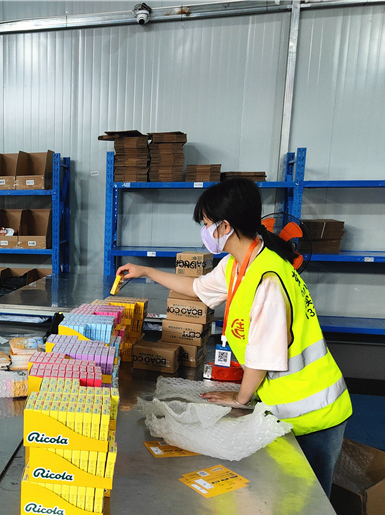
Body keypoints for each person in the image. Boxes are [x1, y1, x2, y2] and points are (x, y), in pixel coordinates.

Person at [118, 178, 352, 495]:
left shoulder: (267, 280)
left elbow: (263, 356)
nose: (204, 232)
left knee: (309, 502)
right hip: (285, 405)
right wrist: (145, 271)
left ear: (225, 226)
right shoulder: (239, 264)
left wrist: (240, 399)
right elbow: (197, 289)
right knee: (286, 499)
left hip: (314, 410)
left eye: (206, 224)